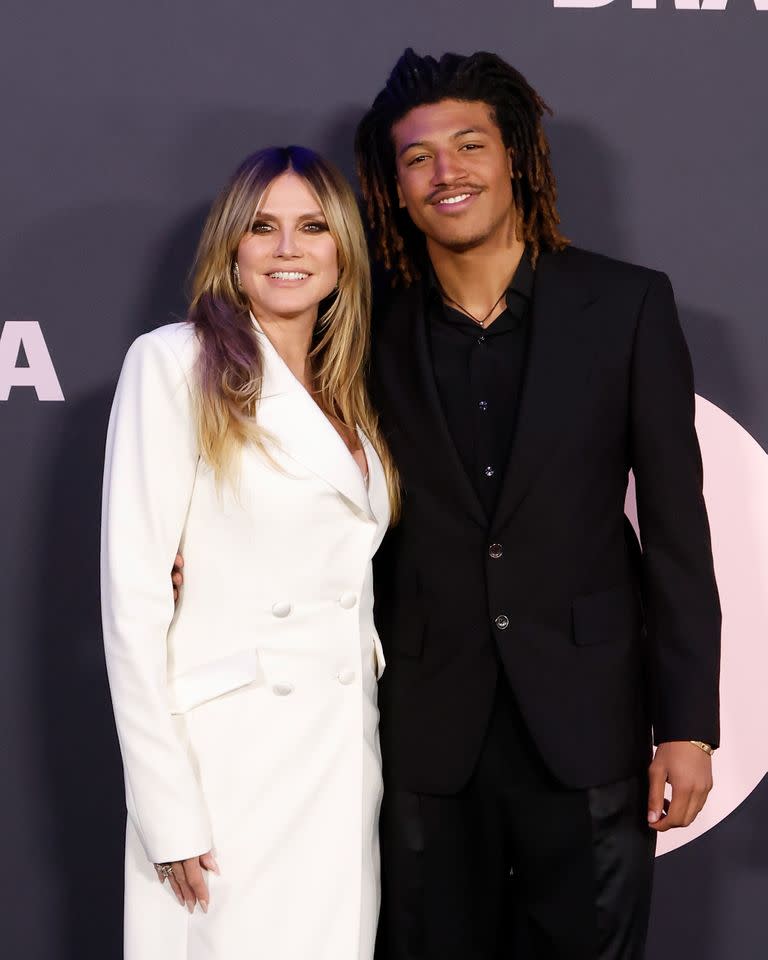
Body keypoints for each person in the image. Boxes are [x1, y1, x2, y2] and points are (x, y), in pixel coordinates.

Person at [352, 50, 721, 959]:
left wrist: (687, 724)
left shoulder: (627, 303)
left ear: (515, 155)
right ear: (393, 187)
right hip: (425, 737)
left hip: (589, 725)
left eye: (469, 144)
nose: (448, 173)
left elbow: (676, 527)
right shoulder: (362, 327)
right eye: (418, 157)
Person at [101, 145, 399, 960]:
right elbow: (134, 601)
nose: (288, 248)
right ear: (231, 248)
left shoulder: (352, 396)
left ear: (342, 252)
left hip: (340, 760)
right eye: (262, 227)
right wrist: (166, 809)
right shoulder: (173, 363)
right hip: (227, 771)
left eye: (312, 227)